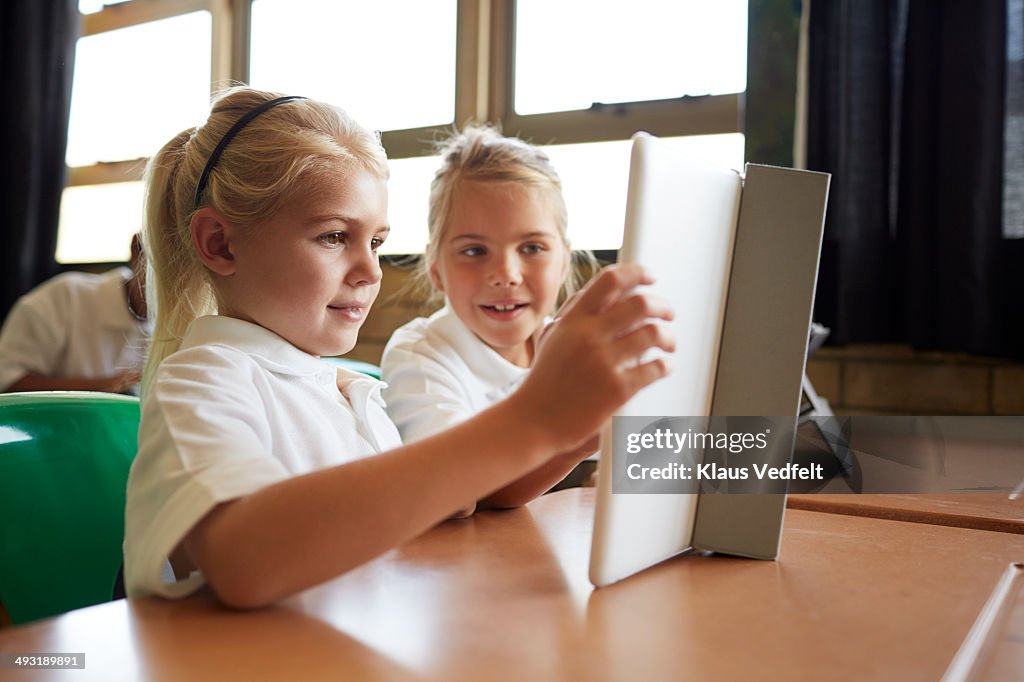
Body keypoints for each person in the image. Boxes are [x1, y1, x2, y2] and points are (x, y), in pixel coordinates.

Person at [123, 87, 674, 608]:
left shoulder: (341, 388)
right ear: (220, 243)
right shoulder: (201, 379)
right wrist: (535, 420)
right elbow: (244, 558)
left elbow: (456, 501)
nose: (370, 271)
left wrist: (571, 439)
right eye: (334, 236)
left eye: (377, 242)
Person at [381, 126, 598, 514]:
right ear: (434, 267)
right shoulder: (420, 357)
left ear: (564, 260)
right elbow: (463, 492)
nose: (506, 273)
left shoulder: (577, 349)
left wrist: (625, 474)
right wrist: (578, 438)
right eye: (475, 250)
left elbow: (666, 466)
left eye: (532, 248)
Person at [0, 234, 149, 393]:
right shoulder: (63, 299)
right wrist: (108, 387)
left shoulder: (170, 333)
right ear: (138, 250)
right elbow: (6, 381)